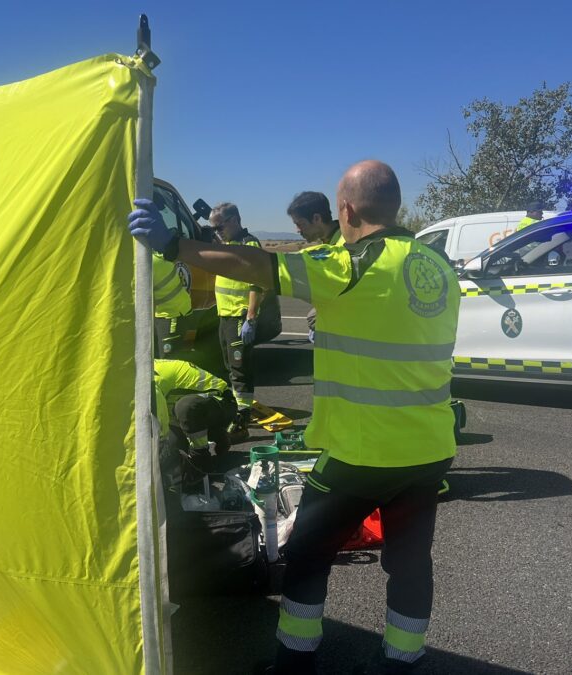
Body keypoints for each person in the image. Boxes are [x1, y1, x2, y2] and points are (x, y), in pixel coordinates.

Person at [130, 160, 460, 674]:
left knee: (306, 555)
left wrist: (175, 247)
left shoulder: (352, 264)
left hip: (361, 451)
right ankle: (402, 660)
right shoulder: (435, 265)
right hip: (429, 450)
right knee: (410, 562)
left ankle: (295, 661)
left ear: (346, 209)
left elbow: (258, 266)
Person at [209, 202, 262, 441]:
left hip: (240, 316)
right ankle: (237, 412)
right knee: (229, 367)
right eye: (214, 228)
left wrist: (251, 316)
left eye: (220, 226)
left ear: (234, 221)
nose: (217, 232)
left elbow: (257, 283)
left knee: (240, 369)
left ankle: (242, 421)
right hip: (224, 316)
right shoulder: (227, 244)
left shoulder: (249, 244)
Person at [154, 358, 237, 486]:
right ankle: (216, 433)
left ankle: (202, 458)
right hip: (191, 414)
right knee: (171, 453)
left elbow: (158, 418)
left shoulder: (150, 380)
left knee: (185, 406)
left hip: (222, 403)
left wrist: (160, 444)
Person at [287, 191, 340, 342]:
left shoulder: (345, 245)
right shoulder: (329, 242)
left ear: (317, 218)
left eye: (300, 224)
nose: (298, 230)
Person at [152, 252, 193, 357]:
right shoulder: (153, 256)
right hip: (169, 312)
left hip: (172, 314)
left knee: (168, 361)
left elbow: (144, 299)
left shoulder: (148, 263)